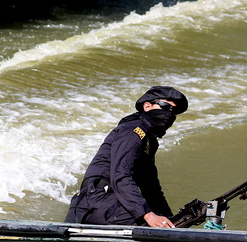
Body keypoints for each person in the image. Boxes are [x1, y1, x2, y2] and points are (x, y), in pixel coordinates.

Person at [65, 86, 188, 228]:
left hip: (112, 201)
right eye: (166, 106)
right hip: (96, 201)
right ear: (147, 106)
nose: (170, 114)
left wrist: (171, 219)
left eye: (175, 112)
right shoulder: (133, 130)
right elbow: (121, 176)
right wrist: (148, 215)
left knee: (165, 222)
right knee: (149, 224)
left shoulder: (149, 140)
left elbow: (152, 188)